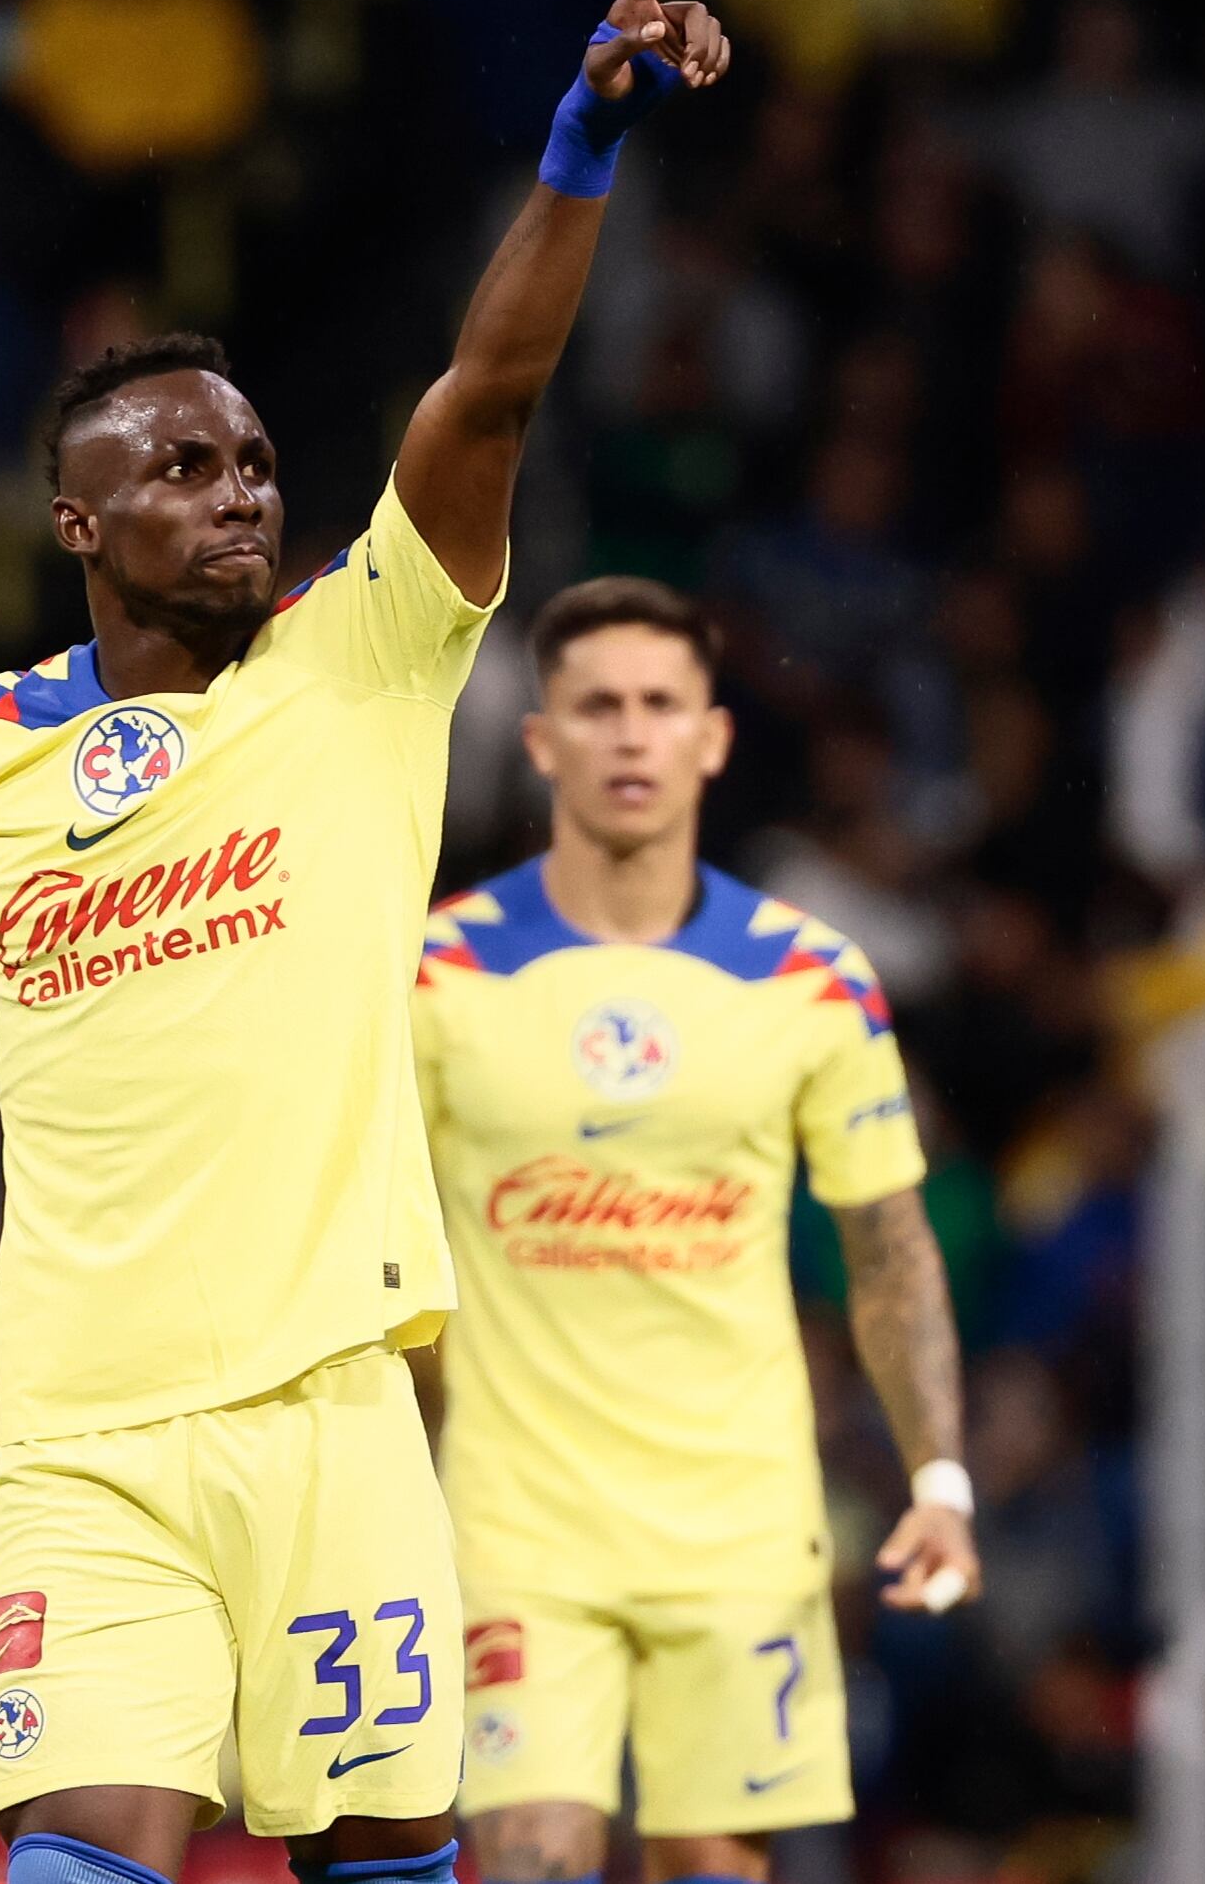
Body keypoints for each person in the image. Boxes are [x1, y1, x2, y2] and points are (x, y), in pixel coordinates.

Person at [0, 0, 731, 1884]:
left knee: (386, 1861)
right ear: (78, 527)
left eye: (249, 461)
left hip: (328, 1411)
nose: (241, 489)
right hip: (78, 1437)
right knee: (87, 1849)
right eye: (184, 468)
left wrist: (578, 137)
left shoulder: (360, 664)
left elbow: (481, 394)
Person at [412, 577, 977, 1884]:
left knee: (716, 1864)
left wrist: (938, 1478)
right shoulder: (438, 976)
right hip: (516, 1518)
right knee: (534, 1854)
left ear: (712, 738)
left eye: (659, 705)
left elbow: (890, 1249)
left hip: (740, 1517)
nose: (629, 734)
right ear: (541, 740)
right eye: (596, 706)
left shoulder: (814, 977)